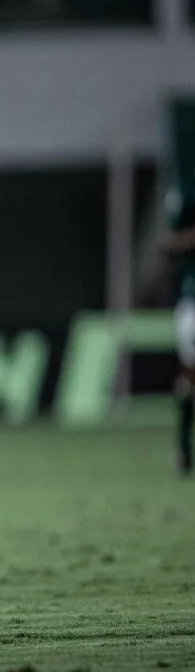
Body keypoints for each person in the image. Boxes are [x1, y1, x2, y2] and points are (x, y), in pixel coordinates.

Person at [161, 186, 195, 474]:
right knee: (190, 374)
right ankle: (183, 447)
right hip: (193, 300)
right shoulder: (184, 195)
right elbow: (167, 243)